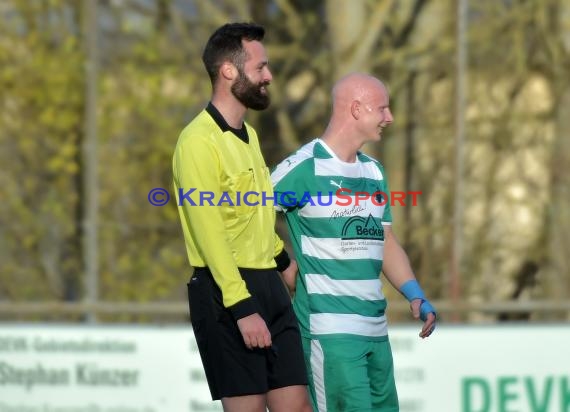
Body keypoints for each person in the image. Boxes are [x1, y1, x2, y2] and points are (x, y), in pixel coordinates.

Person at [271, 73, 436, 412]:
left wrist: (415, 294)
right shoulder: (303, 168)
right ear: (357, 109)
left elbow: (386, 240)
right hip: (330, 333)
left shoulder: (374, 172)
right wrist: (283, 262)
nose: (389, 118)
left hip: (376, 329)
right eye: (383, 108)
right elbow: (246, 216)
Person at [173, 23, 312, 412]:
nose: (269, 76)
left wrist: (285, 264)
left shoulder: (248, 135)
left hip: (267, 282)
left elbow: (257, 215)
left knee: (297, 406)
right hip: (225, 290)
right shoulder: (197, 141)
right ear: (229, 71)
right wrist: (242, 308)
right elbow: (210, 234)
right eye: (261, 66)